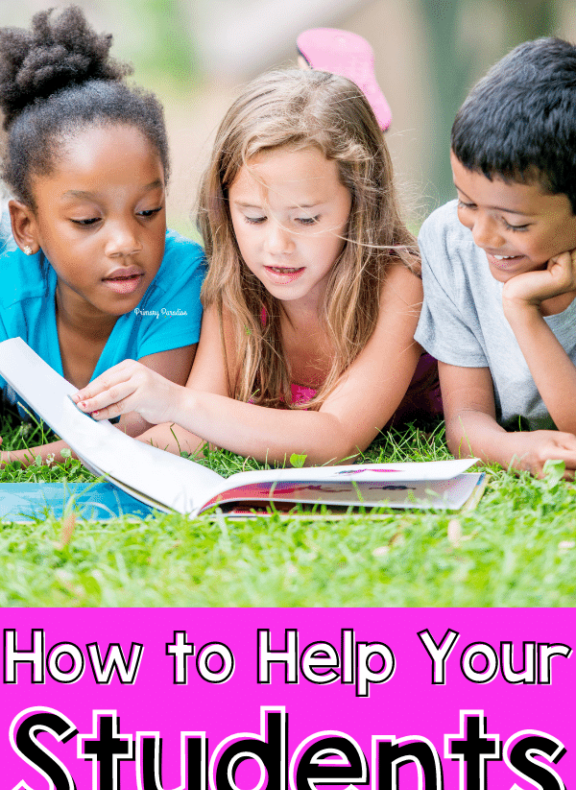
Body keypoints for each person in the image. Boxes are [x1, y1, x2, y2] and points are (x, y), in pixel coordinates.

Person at [73, 68, 440, 466]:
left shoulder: (396, 285)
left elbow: (337, 437)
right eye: (254, 217)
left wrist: (176, 401)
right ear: (225, 205)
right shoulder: (239, 288)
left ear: (360, 203)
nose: (277, 246)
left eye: (306, 219)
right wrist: (66, 454)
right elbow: (194, 429)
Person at [0, 5, 205, 465]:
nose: (126, 242)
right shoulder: (8, 285)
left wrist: (16, 461)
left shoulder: (179, 281)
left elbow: (134, 425)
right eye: (88, 221)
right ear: (26, 227)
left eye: (148, 211)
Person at [415, 37, 576, 477]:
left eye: (515, 224)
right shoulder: (449, 241)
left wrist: (522, 310)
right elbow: (465, 419)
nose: (483, 237)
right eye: (467, 202)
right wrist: (511, 452)